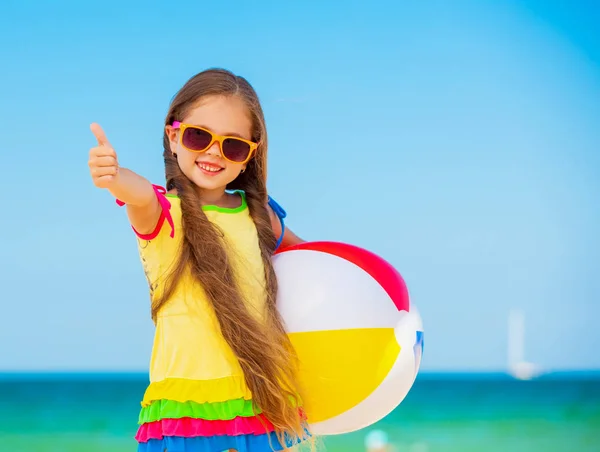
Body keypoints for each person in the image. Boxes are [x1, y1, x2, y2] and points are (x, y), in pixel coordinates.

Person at [87, 68, 310, 452]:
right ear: (173, 136)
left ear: (250, 156)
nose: (212, 152)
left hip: (262, 404)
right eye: (198, 136)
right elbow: (138, 194)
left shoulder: (259, 216)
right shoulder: (162, 213)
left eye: (233, 145)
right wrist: (114, 175)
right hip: (186, 415)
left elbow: (315, 263)